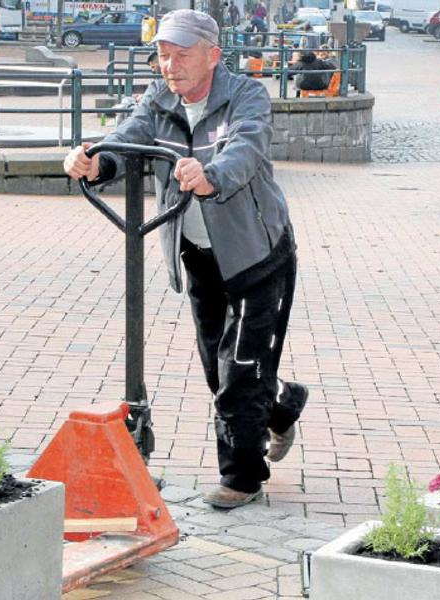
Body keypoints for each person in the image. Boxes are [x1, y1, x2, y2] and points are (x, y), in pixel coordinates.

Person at [63, 9, 308, 510]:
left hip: (257, 256)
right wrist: (94, 161)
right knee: (219, 370)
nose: (170, 66)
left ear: (213, 55)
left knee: (238, 369)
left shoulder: (246, 95)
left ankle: (242, 476)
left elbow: (247, 146)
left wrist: (212, 173)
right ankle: (280, 406)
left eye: (182, 54)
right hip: (199, 257)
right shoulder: (159, 99)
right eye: (163, 55)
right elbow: (129, 138)